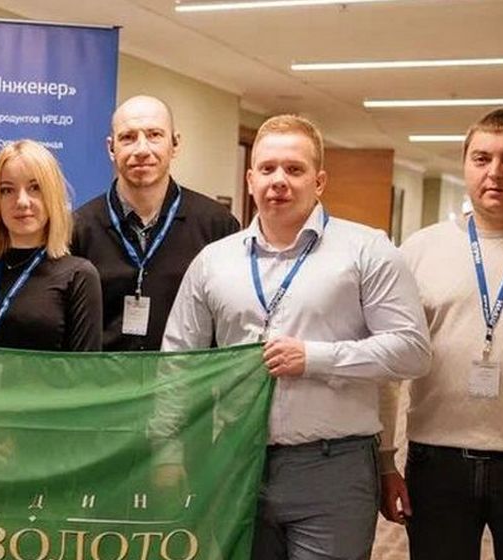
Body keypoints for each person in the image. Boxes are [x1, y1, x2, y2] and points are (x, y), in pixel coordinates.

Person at [162, 114, 431, 560]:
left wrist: (314, 358)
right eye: (267, 169)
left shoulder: (367, 250)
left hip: (333, 468)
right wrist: (169, 450)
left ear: (319, 181)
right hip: (235, 463)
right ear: (250, 179)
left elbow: (412, 350)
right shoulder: (213, 262)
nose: (279, 181)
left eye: (294, 169)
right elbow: (177, 363)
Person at [378, 108, 503, 559]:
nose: (495, 172)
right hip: (437, 462)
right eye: (481, 158)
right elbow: (389, 366)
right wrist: (385, 460)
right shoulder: (419, 251)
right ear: (465, 163)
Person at [72, 95, 240, 351]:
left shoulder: (217, 226)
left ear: (175, 144)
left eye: (154, 135)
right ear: (111, 148)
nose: (141, 150)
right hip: (101, 376)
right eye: (128, 137)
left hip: (184, 375)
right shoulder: (77, 229)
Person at [0, 140, 102, 351]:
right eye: (7, 190)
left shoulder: (78, 276)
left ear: (52, 196)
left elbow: (85, 367)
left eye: (35, 188)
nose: (21, 201)